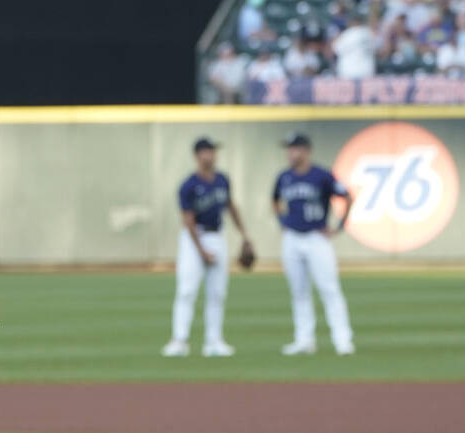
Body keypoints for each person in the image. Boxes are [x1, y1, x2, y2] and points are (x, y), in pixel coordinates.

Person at [163, 137, 252, 358]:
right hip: (194, 239)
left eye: (213, 151)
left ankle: (214, 342)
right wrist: (201, 250)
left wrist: (244, 236)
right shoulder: (188, 185)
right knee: (187, 290)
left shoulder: (222, 180)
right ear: (197, 155)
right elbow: (188, 219)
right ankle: (179, 340)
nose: (211, 155)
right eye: (206, 152)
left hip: (217, 236)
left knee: (217, 293)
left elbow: (231, 207)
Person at [272, 133, 355, 356]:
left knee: (329, 288)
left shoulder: (321, 175)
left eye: (294, 148)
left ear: (306, 151)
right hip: (292, 238)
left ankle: (342, 340)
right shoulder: (284, 177)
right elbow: (275, 201)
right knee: (298, 291)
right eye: (288, 149)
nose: (290, 153)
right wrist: (282, 221)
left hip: (317, 237)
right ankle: (304, 340)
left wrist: (339, 227)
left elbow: (347, 196)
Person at [332, 5, 382, 78]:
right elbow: (378, 49)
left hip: (347, 73)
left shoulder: (346, 34)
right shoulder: (369, 33)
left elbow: (335, 50)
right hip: (367, 72)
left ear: (352, 21)